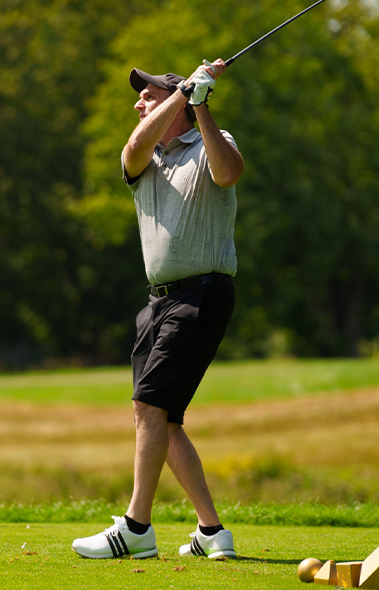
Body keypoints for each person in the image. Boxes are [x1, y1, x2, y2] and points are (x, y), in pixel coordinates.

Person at [72, 59, 244, 560]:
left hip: (202, 294)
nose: (138, 103)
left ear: (177, 105)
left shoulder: (212, 138)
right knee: (162, 419)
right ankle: (212, 532)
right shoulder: (145, 157)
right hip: (159, 302)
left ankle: (136, 528)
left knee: (150, 407)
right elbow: (131, 148)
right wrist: (181, 94)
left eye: (146, 96)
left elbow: (228, 174)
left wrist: (200, 106)